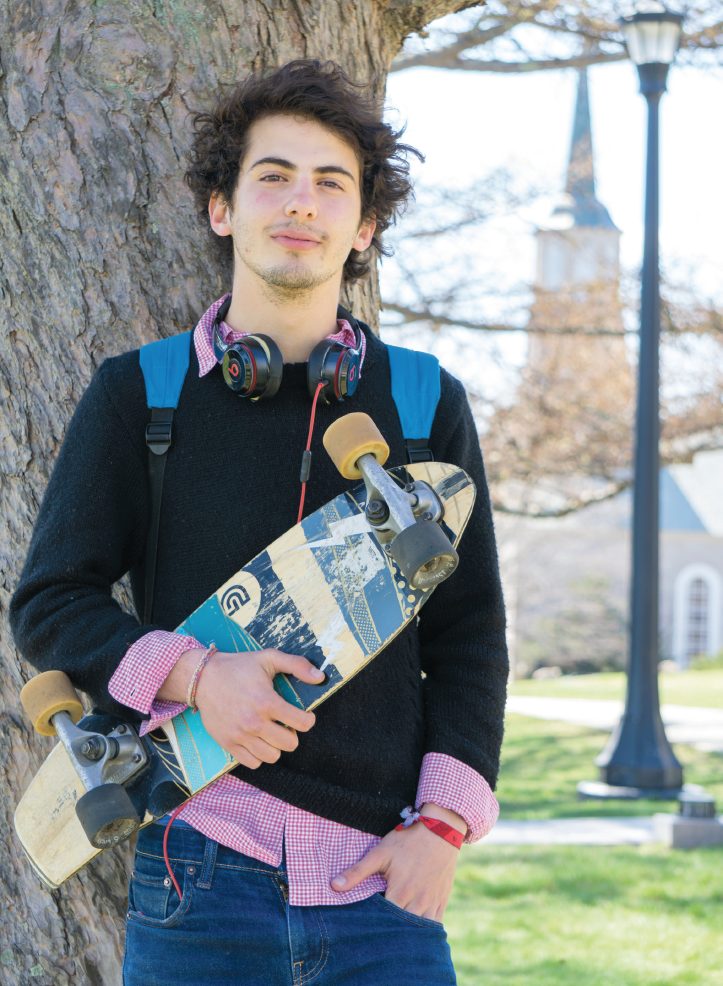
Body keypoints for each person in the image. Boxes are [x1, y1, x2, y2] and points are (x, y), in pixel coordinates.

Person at [10, 60, 508, 985]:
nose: (299, 203)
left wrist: (442, 828)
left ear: (362, 228)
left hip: (380, 880)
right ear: (221, 209)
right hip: (200, 865)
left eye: (330, 184)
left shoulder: (422, 400)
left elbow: (470, 633)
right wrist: (197, 678)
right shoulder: (144, 393)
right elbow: (50, 602)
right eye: (271, 176)